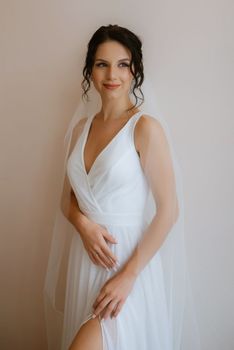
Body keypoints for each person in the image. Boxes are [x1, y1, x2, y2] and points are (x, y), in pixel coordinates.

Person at [44, 24, 201, 350]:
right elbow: (66, 200)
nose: (111, 74)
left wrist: (129, 276)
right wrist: (83, 225)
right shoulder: (79, 130)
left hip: (128, 264)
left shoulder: (145, 128)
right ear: (90, 70)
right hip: (85, 260)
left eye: (122, 64)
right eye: (102, 64)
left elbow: (169, 211)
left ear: (135, 71)